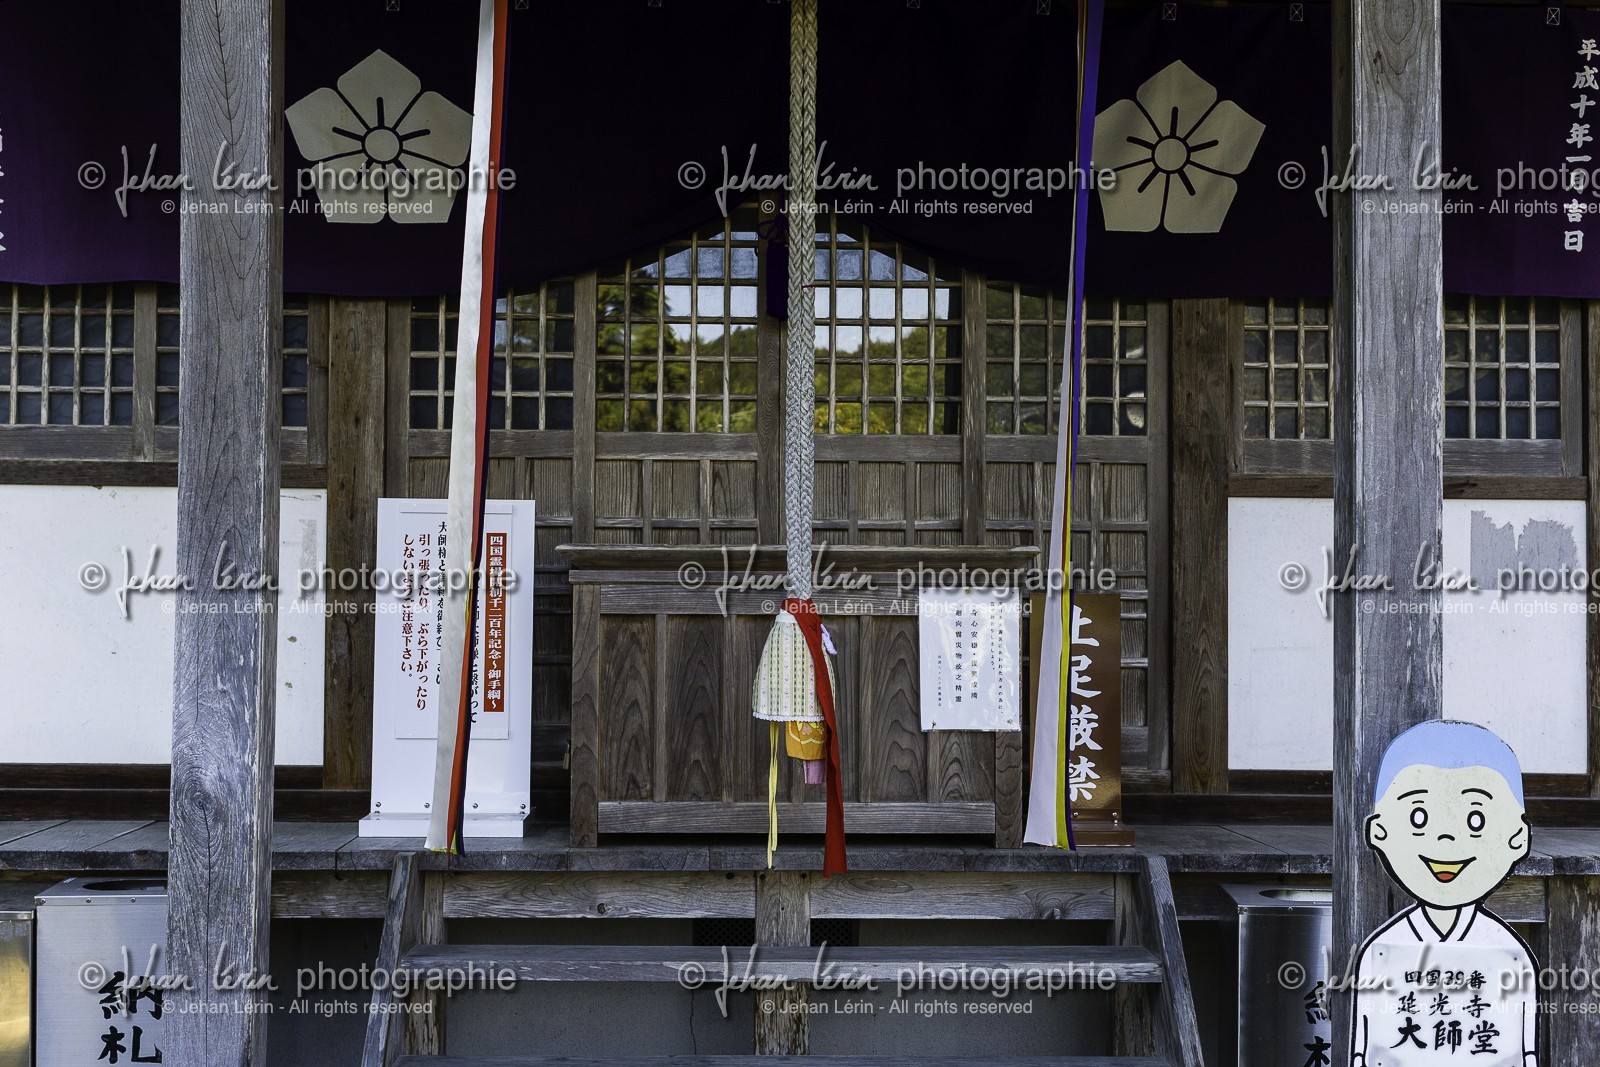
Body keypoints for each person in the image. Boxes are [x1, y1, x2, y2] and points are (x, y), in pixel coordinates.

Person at [1350, 720, 1537, 1067]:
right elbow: (1363, 1054)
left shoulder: (1510, 953)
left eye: (1475, 820)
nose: (1446, 839)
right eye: (1418, 817)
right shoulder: (1380, 952)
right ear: (1379, 830)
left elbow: (1524, 1055)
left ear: (1518, 838)